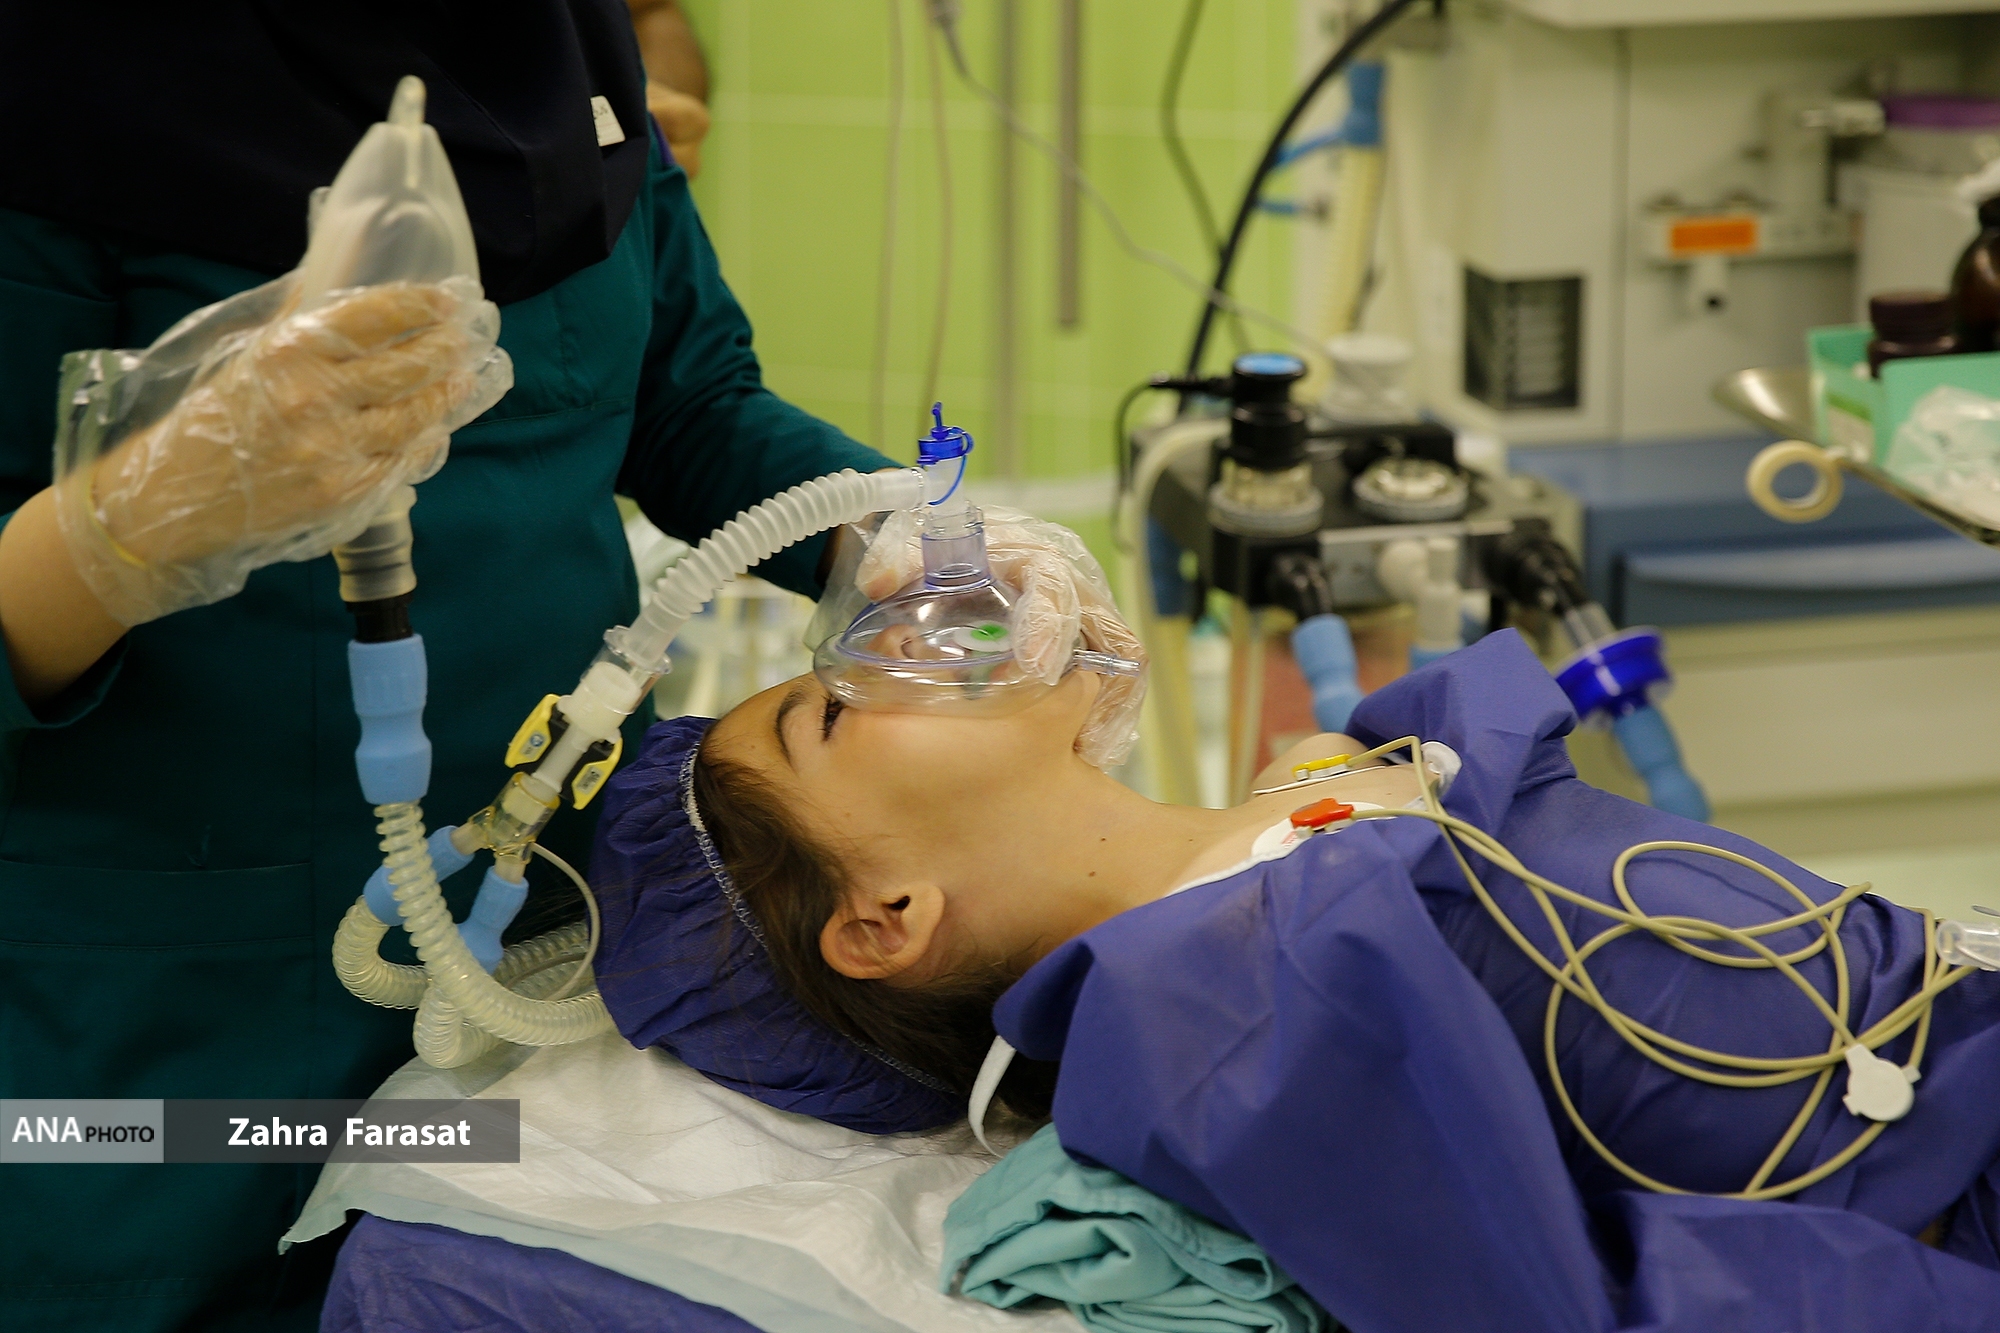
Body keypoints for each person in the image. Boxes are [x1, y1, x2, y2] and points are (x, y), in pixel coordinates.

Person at [0, 5, 1116, 1330]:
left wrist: (898, 541)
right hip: (162, 1016)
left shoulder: (561, 44)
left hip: (536, 941)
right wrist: (120, 529)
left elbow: (689, 400)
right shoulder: (50, 82)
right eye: (817, 716)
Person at [593, 629, 2000, 1332]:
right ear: (886, 917)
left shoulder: (1297, 801)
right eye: (835, 711)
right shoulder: (1215, 1011)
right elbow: (1550, 1310)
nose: (897, 644)